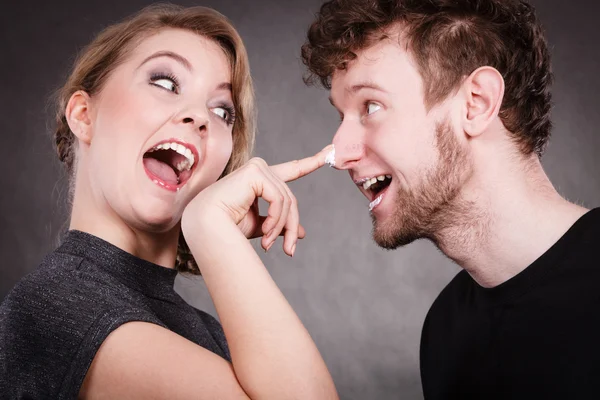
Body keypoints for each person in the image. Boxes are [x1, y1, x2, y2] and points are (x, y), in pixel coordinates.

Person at [0, 4, 339, 399]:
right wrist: (210, 226)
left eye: (221, 110)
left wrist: (210, 229)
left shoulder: (208, 331)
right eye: (164, 83)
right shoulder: (54, 308)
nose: (199, 117)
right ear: (83, 115)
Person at [301, 0, 599, 398]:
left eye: (370, 106)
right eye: (342, 117)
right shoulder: (445, 331)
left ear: (475, 103)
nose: (337, 151)